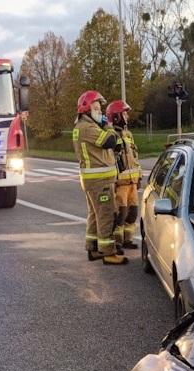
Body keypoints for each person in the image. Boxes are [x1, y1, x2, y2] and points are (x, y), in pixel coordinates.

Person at [72, 90, 126, 265]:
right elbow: (109, 141)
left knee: (94, 215)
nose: (101, 113)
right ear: (86, 110)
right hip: (99, 181)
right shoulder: (87, 128)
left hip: (94, 181)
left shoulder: (83, 127)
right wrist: (108, 125)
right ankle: (108, 252)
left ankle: (93, 248)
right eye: (96, 109)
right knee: (106, 215)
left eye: (101, 109)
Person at [107, 100, 141, 250]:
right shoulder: (111, 136)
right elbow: (109, 160)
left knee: (133, 213)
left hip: (132, 183)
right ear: (116, 116)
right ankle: (117, 242)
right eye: (124, 113)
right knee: (121, 214)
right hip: (120, 184)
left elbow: (135, 156)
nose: (127, 116)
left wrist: (138, 176)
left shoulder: (128, 134)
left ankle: (127, 240)